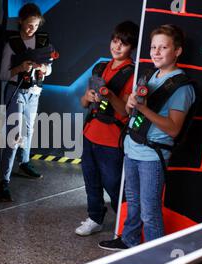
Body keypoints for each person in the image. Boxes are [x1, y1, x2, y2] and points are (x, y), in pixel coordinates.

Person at [99, 24, 196, 250]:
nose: (156, 52)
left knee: (150, 211)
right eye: (154, 47)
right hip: (133, 147)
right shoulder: (149, 75)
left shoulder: (181, 87)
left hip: (152, 156)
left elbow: (173, 129)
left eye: (163, 47)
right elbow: (127, 111)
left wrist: (142, 109)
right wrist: (131, 104)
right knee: (133, 202)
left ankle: (155, 257)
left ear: (177, 51)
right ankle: (129, 240)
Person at [75, 21, 139, 236]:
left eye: (123, 44)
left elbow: (126, 112)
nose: (117, 47)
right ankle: (95, 218)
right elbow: (84, 104)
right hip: (90, 133)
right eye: (115, 41)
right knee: (90, 180)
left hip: (112, 140)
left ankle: (125, 225)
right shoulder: (100, 67)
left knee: (114, 185)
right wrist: (88, 96)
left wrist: (109, 95)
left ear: (132, 47)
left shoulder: (133, 73)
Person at [0, 3, 52, 201]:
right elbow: (3, 75)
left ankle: (25, 162)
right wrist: (20, 68)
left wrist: (44, 70)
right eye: (29, 25)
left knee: (29, 131)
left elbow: (50, 68)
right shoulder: (12, 43)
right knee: (14, 135)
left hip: (35, 92)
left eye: (36, 26)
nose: (32, 29)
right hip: (16, 91)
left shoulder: (42, 41)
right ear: (20, 21)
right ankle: (4, 180)